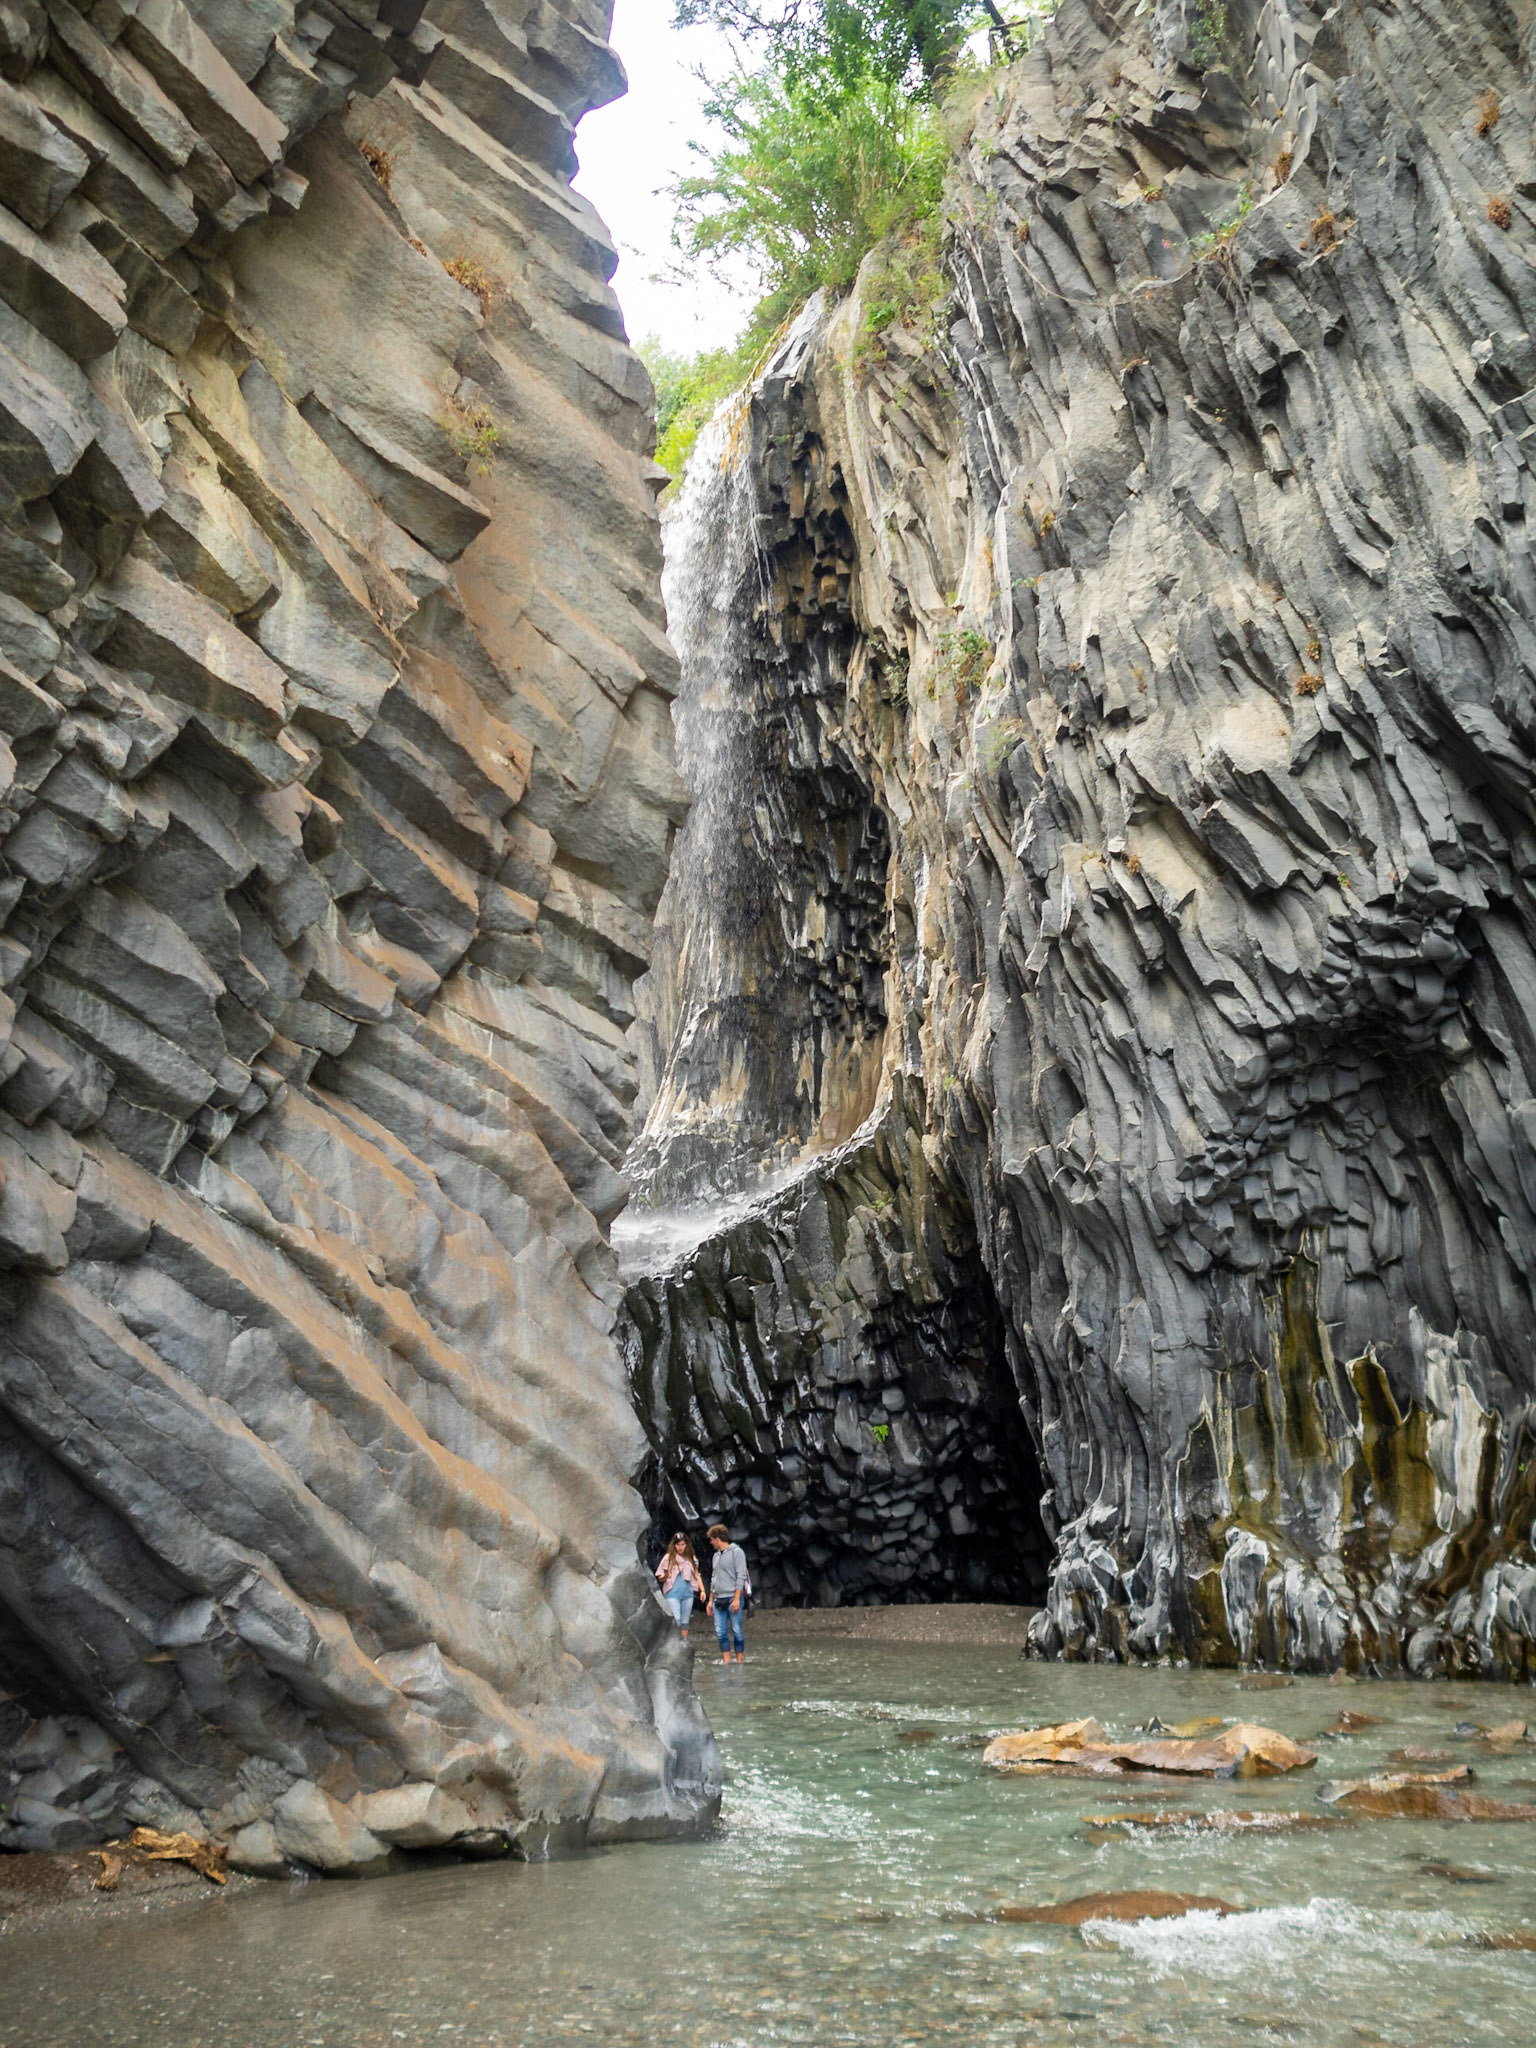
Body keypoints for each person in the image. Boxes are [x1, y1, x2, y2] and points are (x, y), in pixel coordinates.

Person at [705, 1524, 749, 1664]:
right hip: (718, 1598)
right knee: (720, 1631)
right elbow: (714, 1578)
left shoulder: (737, 1552)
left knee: (737, 1630)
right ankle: (726, 1661)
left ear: (718, 1539)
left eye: (712, 1540)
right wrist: (710, 1601)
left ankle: (740, 1660)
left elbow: (741, 1576)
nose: (711, 1542)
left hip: (732, 1597)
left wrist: (737, 1599)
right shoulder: (716, 1556)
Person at [654, 1533, 704, 1637]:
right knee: (676, 1620)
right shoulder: (668, 1558)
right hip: (672, 1593)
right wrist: (665, 1576)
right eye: (677, 1545)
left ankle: (683, 1643)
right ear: (674, 1545)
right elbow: (660, 1576)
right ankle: (674, 1643)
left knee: (685, 1623)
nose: (680, 1547)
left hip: (687, 1594)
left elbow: (696, 1575)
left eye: (682, 1544)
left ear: (686, 1545)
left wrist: (702, 1590)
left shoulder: (691, 1559)